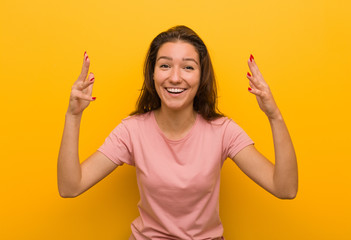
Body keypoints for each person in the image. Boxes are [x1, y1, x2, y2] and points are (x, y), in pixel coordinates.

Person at [57, 25, 298, 240]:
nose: (175, 77)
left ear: (201, 76)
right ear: (153, 74)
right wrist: (73, 116)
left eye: (188, 67)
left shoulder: (223, 131)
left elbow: (285, 188)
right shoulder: (132, 130)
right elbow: (70, 187)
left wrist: (274, 115)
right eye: (164, 65)